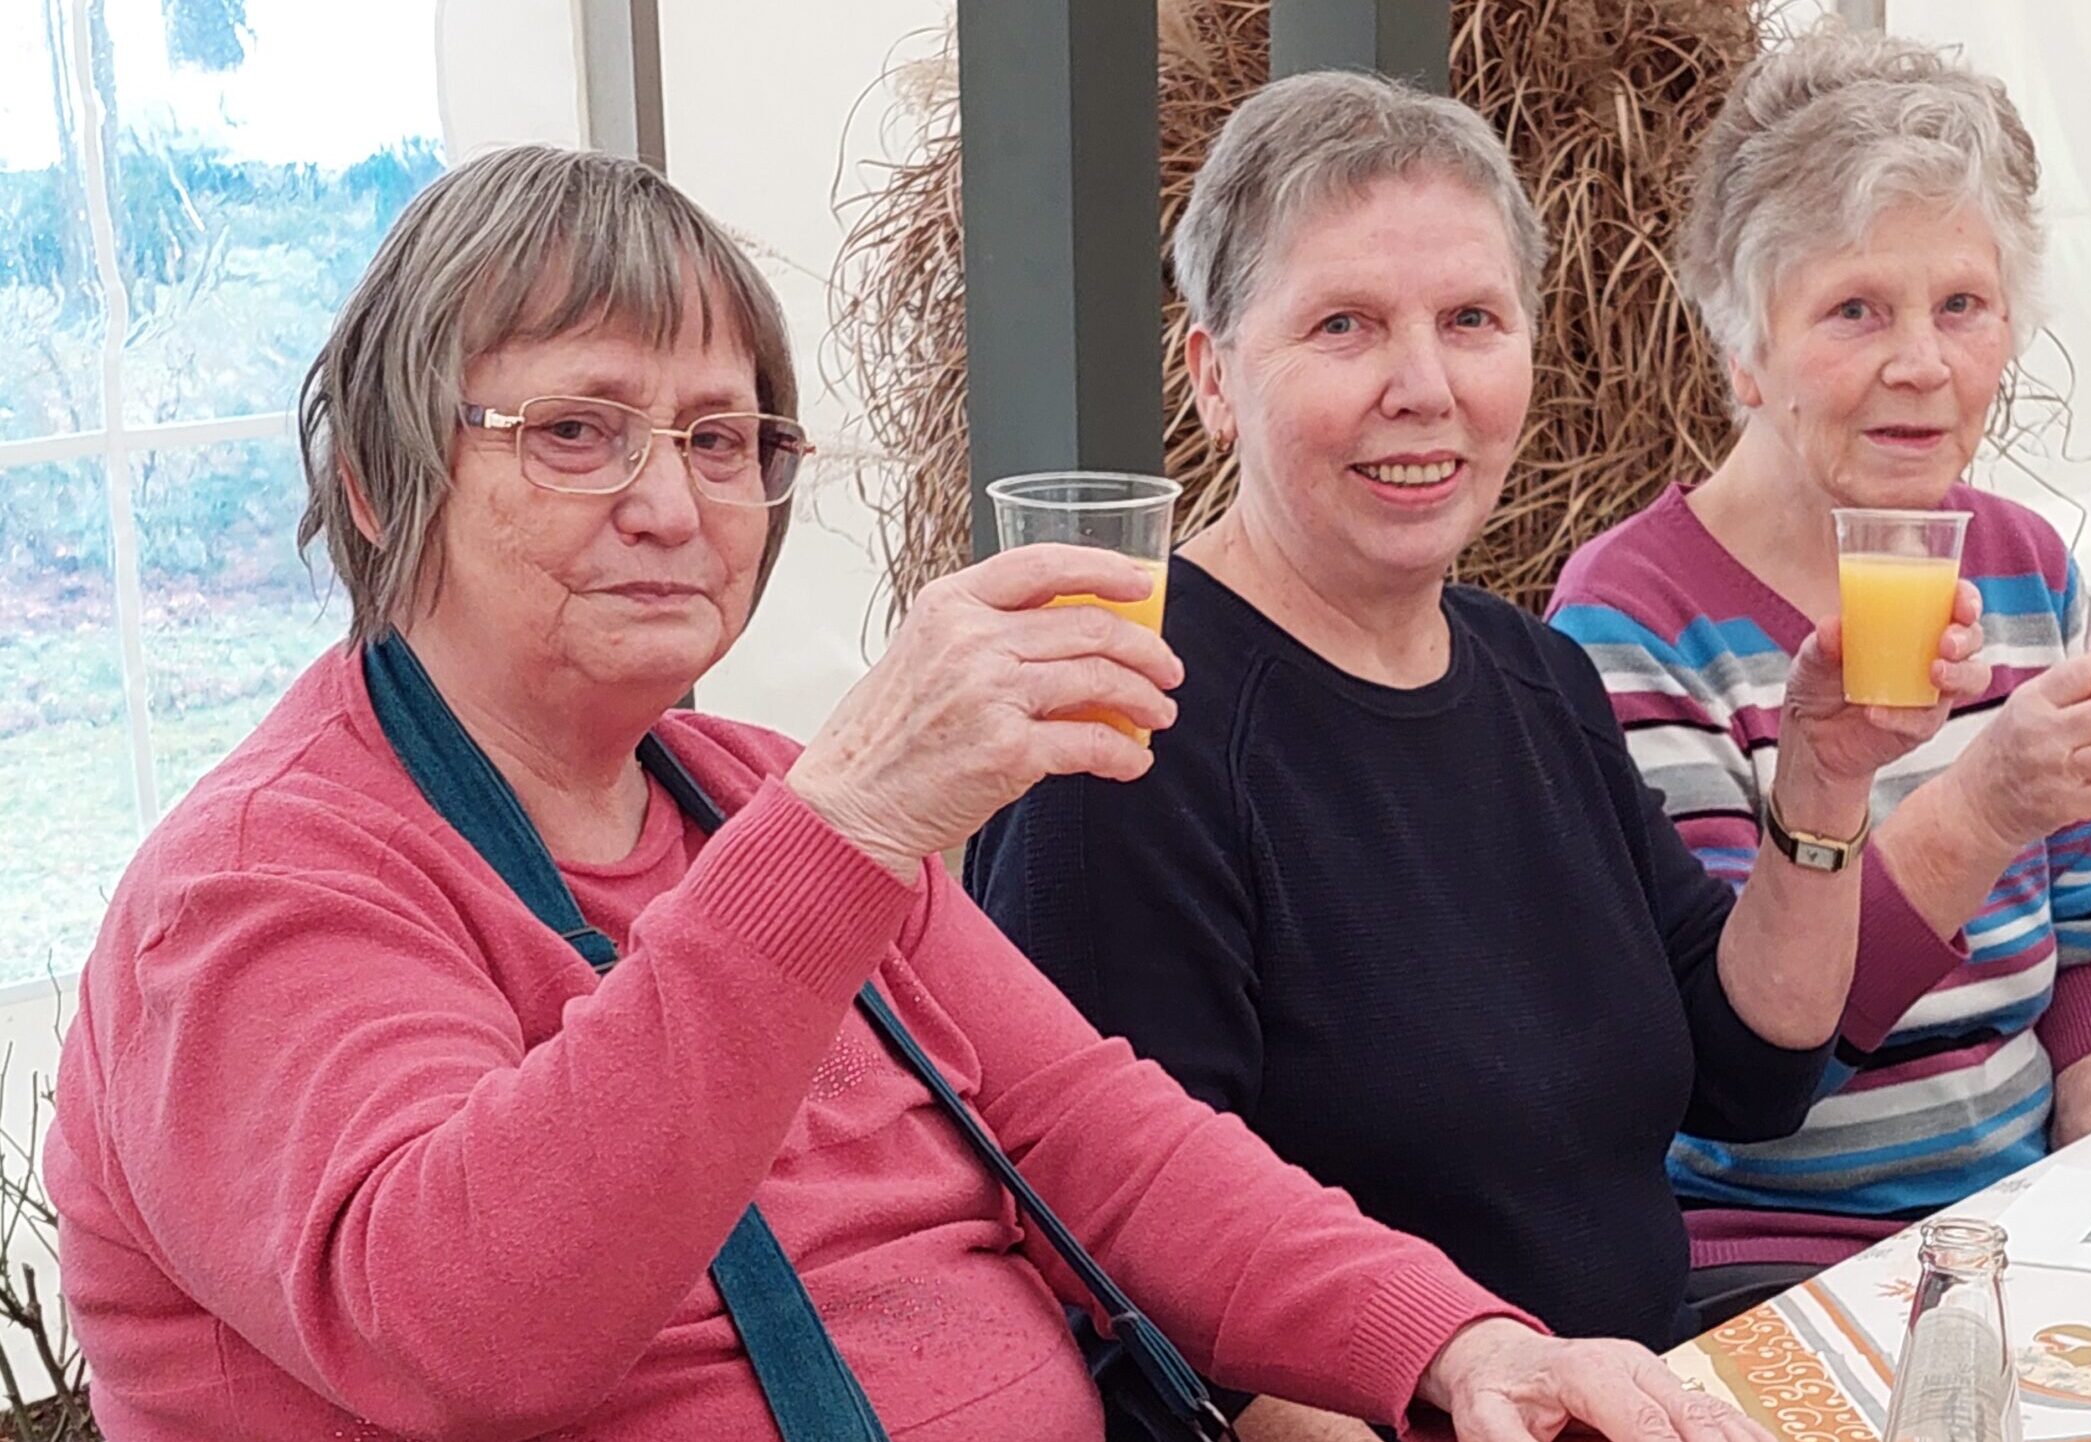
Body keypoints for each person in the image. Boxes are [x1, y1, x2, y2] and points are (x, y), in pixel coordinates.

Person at [41, 144, 1770, 1442]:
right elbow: (464, 1325)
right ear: (368, 472)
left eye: (723, 440)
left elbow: (1106, 1132)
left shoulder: (737, 797)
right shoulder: (269, 876)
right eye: (579, 429)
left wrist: (1454, 1339)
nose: (672, 500)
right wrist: (851, 822)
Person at [966, 71, 1989, 1438]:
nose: (1423, 386)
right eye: (1344, 327)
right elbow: (1126, 1286)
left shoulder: (1534, 674)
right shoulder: (1123, 736)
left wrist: (1823, 778)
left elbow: (1751, 1069)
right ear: (1213, 375)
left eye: (1471, 321)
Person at [1546, 28, 2091, 1318]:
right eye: (1855, 310)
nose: (1923, 364)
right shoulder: (1629, 624)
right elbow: (1746, 1080)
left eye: (1963, 304)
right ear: (1744, 348)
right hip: (1750, 1255)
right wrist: (1988, 801)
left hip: (2012, 1221)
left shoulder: (2024, 564)